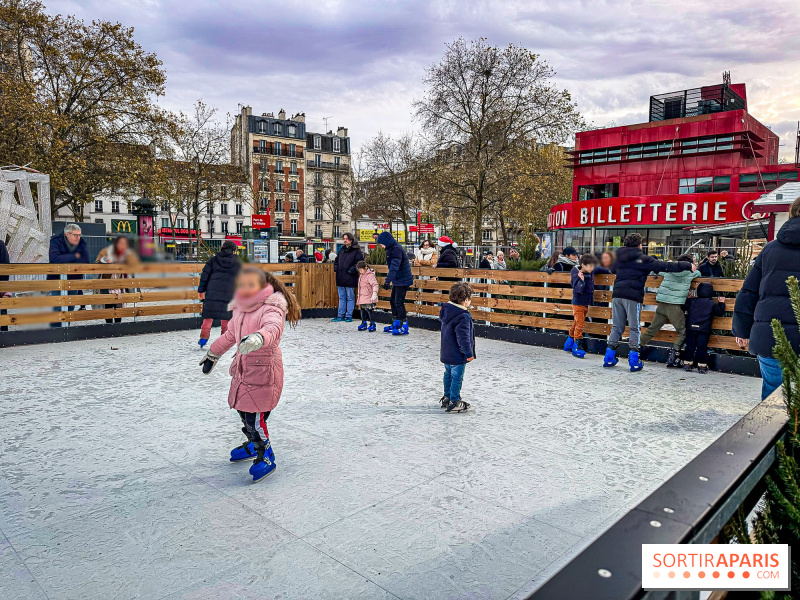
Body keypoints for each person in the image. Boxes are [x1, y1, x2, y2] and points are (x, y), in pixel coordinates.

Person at [199, 267, 301, 483]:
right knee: (243, 413)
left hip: (264, 372)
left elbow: (273, 329)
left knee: (254, 419)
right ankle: (254, 446)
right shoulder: (242, 308)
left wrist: (258, 337)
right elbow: (230, 335)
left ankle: (266, 454)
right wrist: (213, 354)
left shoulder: (272, 306)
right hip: (244, 369)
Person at [733, 196, 800, 399]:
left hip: (770, 336)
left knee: (774, 399)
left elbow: (749, 291)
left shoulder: (771, 249)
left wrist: (742, 330)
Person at [604, 233, 694, 372]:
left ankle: (609, 358)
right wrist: (687, 265)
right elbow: (664, 266)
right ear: (640, 245)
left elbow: (612, 269)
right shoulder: (643, 259)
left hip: (617, 294)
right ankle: (634, 361)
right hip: (633, 297)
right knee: (634, 328)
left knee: (617, 326)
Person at [639, 253, 701, 367]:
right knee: (683, 331)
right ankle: (674, 354)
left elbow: (660, 271)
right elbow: (699, 273)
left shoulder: (669, 270)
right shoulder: (691, 273)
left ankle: (638, 347)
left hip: (662, 303)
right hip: (675, 306)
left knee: (652, 328)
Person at [197, 240, 241, 349]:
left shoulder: (213, 260)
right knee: (226, 318)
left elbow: (205, 276)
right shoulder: (237, 263)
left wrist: (201, 290)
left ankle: (203, 338)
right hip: (229, 292)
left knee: (208, 316)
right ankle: (224, 341)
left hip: (212, 291)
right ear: (233, 251)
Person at [439, 281, 474, 413]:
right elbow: (463, 338)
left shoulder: (446, 310)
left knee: (448, 375)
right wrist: (468, 353)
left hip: (446, 352)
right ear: (465, 300)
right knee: (456, 377)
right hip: (457, 354)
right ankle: (455, 400)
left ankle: (447, 397)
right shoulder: (462, 316)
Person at [48, 223, 91, 327]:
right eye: (75, 235)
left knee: (70, 306)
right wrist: (74, 256)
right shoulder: (55, 241)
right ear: (67, 234)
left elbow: (86, 260)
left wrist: (67, 258)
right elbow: (54, 259)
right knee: (58, 306)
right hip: (57, 280)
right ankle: (55, 331)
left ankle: (66, 329)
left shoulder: (81, 242)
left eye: (79, 235)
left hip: (74, 280)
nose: (78, 237)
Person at [682, 282, 726, 374]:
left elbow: (684, 307)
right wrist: (721, 303)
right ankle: (701, 366)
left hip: (691, 328)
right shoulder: (712, 304)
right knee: (702, 347)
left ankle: (687, 364)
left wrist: (687, 298)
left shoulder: (692, 301)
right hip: (704, 329)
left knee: (690, 346)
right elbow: (719, 312)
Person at [95, 235, 140, 324]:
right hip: (107, 281)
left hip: (120, 282)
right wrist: (106, 261)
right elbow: (98, 261)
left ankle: (117, 325)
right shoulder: (106, 251)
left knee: (119, 305)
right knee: (108, 305)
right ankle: (109, 325)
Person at [377, 231, 413, 335]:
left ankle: (404, 324)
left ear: (386, 241)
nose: (382, 246)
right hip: (398, 280)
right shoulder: (391, 249)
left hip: (403, 280)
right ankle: (396, 322)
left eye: (382, 243)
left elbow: (394, 267)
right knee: (393, 301)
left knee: (398, 302)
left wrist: (388, 281)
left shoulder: (396, 249)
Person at [565, 254, 598, 358]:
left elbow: (600, 269)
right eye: (590, 266)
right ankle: (577, 345)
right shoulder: (576, 273)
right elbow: (578, 290)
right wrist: (582, 280)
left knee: (576, 323)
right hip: (578, 303)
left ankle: (568, 344)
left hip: (585, 303)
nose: (592, 268)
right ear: (583, 265)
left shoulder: (590, 272)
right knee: (580, 325)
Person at [332, 232, 364, 323]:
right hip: (340, 276)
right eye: (344, 239)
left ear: (351, 240)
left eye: (346, 239)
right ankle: (340, 315)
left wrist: (351, 270)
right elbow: (337, 260)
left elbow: (359, 262)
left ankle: (349, 315)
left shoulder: (356, 250)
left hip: (350, 277)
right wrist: (336, 268)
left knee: (350, 297)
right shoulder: (342, 249)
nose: (344, 240)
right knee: (342, 297)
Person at [356, 261, 379, 332]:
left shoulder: (370, 275)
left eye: (361, 270)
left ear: (365, 268)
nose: (360, 272)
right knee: (362, 309)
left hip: (369, 296)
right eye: (359, 270)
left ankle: (372, 323)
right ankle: (364, 322)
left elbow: (375, 284)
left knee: (369, 310)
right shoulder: (362, 275)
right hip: (362, 296)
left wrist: (374, 293)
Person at [0, 239, 9, 332]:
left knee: (2, 309)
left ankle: (3, 333)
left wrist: (3, 286)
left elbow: (6, 265)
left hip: (1, 285)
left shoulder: (0, 244)